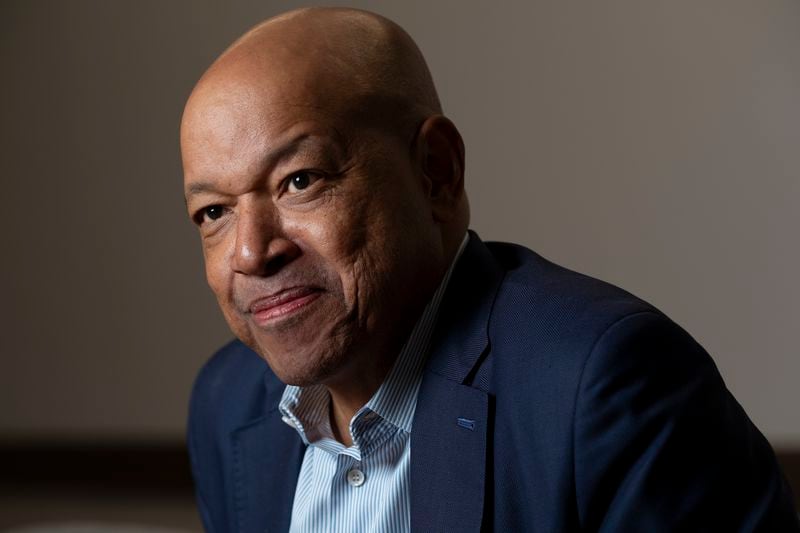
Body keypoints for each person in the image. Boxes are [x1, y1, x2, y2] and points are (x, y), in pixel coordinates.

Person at [180, 7, 798, 532]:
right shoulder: (229, 404)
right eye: (213, 212)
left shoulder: (608, 387)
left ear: (437, 172)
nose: (251, 253)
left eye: (300, 181)